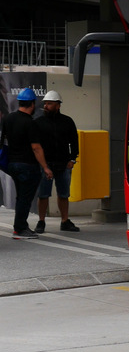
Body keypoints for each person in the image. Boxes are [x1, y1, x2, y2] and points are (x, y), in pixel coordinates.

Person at [1, 88, 53, 239]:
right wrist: (45, 167)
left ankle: (20, 226)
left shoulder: (8, 119)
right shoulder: (30, 123)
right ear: (32, 103)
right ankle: (20, 228)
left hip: (12, 164)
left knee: (20, 197)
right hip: (28, 166)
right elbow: (36, 148)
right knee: (25, 198)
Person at [33, 90, 81, 232]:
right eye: (45, 103)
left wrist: (72, 159)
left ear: (58, 105)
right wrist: (41, 163)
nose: (46, 106)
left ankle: (65, 220)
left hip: (63, 164)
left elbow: (74, 141)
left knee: (64, 194)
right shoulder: (38, 123)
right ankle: (41, 221)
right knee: (43, 195)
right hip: (45, 165)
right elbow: (35, 145)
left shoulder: (67, 121)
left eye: (49, 103)